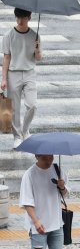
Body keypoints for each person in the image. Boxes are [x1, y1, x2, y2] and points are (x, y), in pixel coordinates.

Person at [13, 154, 68, 249]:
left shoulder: (57, 169)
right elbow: (26, 202)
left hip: (57, 223)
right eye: (45, 158)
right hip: (38, 225)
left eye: (50, 157)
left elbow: (65, 194)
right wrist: (36, 221)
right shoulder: (30, 174)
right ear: (37, 156)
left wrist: (62, 186)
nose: (49, 160)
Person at [2, 8, 42, 147]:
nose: (20, 21)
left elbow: (38, 58)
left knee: (32, 105)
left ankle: (26, 131)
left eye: (23, 18)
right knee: (14, 108)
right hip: (13, 73)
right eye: (18, 17)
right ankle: (17, 136)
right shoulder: (8, 36)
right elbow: (6, 58)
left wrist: (37, 50)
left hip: (30, 73)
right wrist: (4, 79)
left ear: (29, 17)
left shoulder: (35, 35)